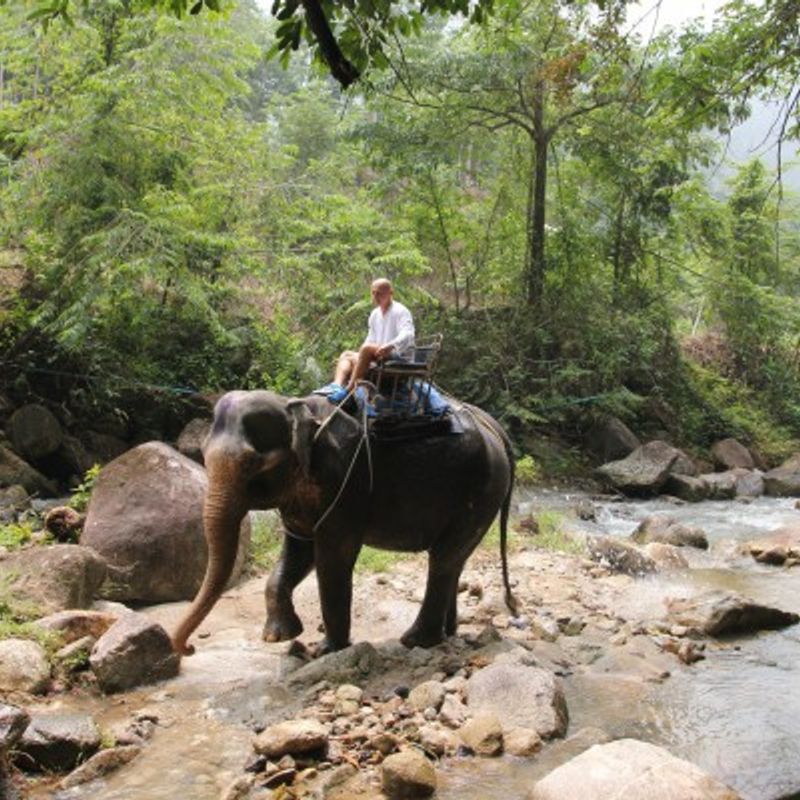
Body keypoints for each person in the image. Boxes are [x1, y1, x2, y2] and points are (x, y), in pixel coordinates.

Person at [330, 278, 415, 400]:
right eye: (373, 293)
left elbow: (408, 333)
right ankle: (336, 385)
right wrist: (361, 357)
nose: (375, 296)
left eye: (379, 293)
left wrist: (391, 345)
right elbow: (370, 338)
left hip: (397, 356)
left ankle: (348, 389)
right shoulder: (375, 314)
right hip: (379, 354)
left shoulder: (400, 311)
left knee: (366, 348)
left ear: (391, 293)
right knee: (346, 354)